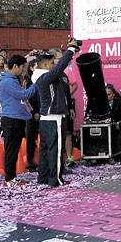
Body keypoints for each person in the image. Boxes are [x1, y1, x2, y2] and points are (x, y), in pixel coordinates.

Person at [32, 41, 79, 187]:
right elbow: (60, 67)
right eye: (52, 63)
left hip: (48, 117)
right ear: (45, 66)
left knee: (46, 149)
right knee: (56, 149)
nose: (54, 65)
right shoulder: (45, 77)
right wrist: (71, 50)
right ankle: (56, 179)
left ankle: (44, 178)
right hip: (54, 118)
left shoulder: (46, 77)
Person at [0, 55, 38, 187]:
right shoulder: (9, 81)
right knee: (11, 149)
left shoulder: (13, 79)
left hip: (16, 118)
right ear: (15, 66)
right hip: (11, 119)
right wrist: (35, 85)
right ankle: (9, 179)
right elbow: (23, 95)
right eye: (22, 67)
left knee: (14, 149)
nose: (23, 70)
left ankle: (12, 177)